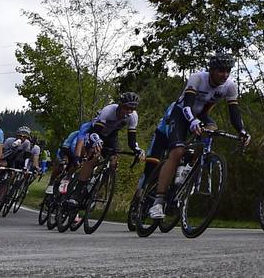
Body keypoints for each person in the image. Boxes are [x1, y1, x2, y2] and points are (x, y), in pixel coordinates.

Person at [145, 55, 250, 220]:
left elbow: (234, 114)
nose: (225, 75)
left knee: (212, 130)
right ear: (211, 70)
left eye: (228, 71)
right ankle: (158, 202)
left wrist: (242, 131)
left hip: (201, 115)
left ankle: (189, 166)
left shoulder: (230, 86)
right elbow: (187, 105)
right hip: (181, 113)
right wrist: (192, 121)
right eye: (221, 71)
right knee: (177, 152)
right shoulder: (198, 78)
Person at [70, 93, 143, 196]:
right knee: (94, 156)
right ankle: (77, 192)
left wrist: (137, 150)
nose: (129, 111)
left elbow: (132, 141)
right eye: (127, 108)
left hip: (111, 136)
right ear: (120, 105)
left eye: (132, 108)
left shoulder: (133, 116)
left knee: (113, 162)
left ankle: (95, 191)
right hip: (95, 132)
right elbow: (96, 131)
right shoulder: (109, 110)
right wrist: (96, 142)